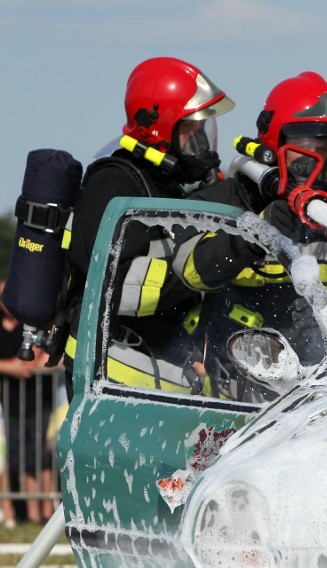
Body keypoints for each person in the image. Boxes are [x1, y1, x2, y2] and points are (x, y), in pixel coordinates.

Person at [172, 71, 327, 371]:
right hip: (229, 384)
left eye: (324, 150)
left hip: (319, 385)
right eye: (304, 147)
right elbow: (190, 272)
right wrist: (253, 232)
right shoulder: (223, 200)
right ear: (273, 140)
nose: (313, 162)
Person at [60, 57, 235, 398]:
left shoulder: (164, 187)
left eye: (203, 129)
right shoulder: (114, 184)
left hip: (155, 376)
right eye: (192, 129)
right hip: (112, 377)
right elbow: (114, 286)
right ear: (158, 126)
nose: (201, 141)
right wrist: (205, 271)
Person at [0, 281, 52, 525]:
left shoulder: (31, 323)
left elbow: (37, 358)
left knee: (43, 456)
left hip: (40, 400)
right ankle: (29, 514)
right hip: (9, 402)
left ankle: (46, 511)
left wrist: (23, 366)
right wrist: (10, 367)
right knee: (20, 458)